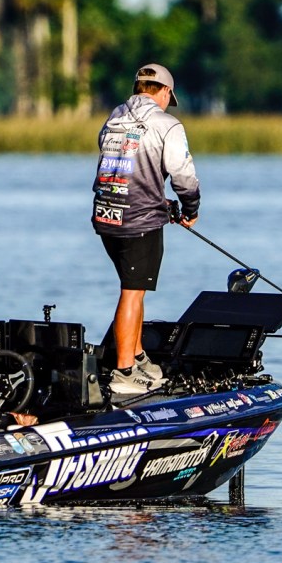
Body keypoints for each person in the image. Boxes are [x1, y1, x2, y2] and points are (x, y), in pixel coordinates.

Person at [92, 63, 200, 396]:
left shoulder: (114, 117)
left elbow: (123, 171)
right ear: (164, 91)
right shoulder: (167, 124)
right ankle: (125, 372)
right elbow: (183, 175)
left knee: (134, 286)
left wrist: (161, 201)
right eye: (169, 97)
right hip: (139, 222)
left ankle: (137, 356)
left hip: (106, 216)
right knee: (132, 290)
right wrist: (191, 209)